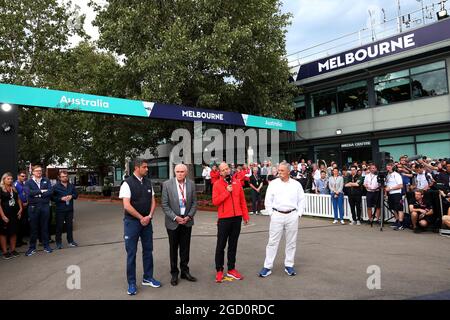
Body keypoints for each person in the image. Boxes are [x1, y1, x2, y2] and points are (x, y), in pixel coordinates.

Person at [119, 158, 161, 296]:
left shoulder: (148, 182)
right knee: (131, 253)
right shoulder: (127, 183)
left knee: (148, 250)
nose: (147, 169)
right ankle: (131, 283)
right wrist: (140, 218)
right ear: (136, 168)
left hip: (147, 222)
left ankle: (147, 277)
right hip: (132, 223)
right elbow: (127, 205)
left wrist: (149, 216)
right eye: (145, 167)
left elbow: (153, 201)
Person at [259, 162, 305, 277]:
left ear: (288, 171)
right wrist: (271, 213)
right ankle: (267, 266)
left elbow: (301, 199)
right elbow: (268, 200)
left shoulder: (296, 184)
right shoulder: (273, 184)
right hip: (277, 215)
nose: (279, 172)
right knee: (272, 242)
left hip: (292, 215)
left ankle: (289, 265)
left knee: (291, 242)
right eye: (279, 170)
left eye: (282, 171)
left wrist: (298, 214)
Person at [212, 162, 249, 283]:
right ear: (220, 172)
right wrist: (226, 192)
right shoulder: (217, 184)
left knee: (233, 245)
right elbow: (215, 202)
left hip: (237, 218)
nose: (226, 171)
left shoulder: (237, 182)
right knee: (221, 246)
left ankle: (231, 269)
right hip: (224, 219)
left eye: (227, 169)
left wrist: (245, 215)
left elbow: (242, 200)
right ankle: (219, 270)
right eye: (223, 170)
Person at [161, 164, 197, 286]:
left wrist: (189, 216)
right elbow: (164, 205)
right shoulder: (167, 184)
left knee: (185, 248)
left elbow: (194, 203)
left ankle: (185, 272)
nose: (180, 173)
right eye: (178, 171)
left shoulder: (191, 184)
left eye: (182, 171)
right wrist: (176, 218)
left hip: (187, 221)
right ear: (174, 172)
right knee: (173, 248)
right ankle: (174, 273)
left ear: (186, 172)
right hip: (173, 222)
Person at [25, 165, 54, 256]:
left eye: (40, 171)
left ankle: (46, 246)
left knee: (45, 227)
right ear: (33, 172)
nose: (39, 172)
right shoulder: (28, 182)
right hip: (33, 207)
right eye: (37, 171)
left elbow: (50, 192)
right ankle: (32, 248)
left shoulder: (46, 180)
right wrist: (41, 191)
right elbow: (29, 193)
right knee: (33, 228)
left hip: (45, 206)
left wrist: (37, 194)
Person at [52, 170, 79, 249]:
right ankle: (58, 242)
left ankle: (70, 241)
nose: (65, 178)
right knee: (59, 227)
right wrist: (61, 199)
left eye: (66, 176)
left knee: (69, 226)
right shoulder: (55, 187)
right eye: (63, 176)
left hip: (69, 209)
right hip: (60, 210)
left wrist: (72, 196)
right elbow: (52, 198)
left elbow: (76, 195)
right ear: (59, 178)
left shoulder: (71, 186)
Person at [0, 173, 23, 259]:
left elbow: (18, 199)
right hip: (5, 215)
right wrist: (2, 216)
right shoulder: (1, 189)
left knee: (14, 232)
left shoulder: (14, 188)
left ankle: (13, 250)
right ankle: (5, 252)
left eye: (11, 179)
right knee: (3, 233)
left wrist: (20, 209)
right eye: (8, 179)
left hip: (14, 214)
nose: (10, 180)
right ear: (4, 180)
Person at [385, 163, 405, 230]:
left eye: (390, 166)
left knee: (399, 208)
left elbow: (400, 185)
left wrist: (390, 188)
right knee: (393, 208)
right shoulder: (387, 175)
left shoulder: (396, 175)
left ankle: (401, 223)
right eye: (387, 166)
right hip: (390, 194)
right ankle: (397, 221)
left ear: (393, 167)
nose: (388, 167)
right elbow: (386, 185)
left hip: (397, 194)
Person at [14, 170, 29, 247]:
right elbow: (16, 197)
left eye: (25, 176)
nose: (24, 177)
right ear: (18, 176)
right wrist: (21, 205)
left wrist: (27, 202)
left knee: (23, 224)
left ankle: (20, 240)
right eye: (22, 176)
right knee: (18, 224)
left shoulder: (24, 184)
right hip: (19, 207)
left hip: (25, 206)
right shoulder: (15, 184)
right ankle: (16, 242)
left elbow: (26, 194)